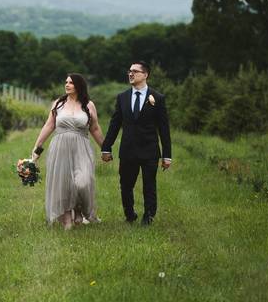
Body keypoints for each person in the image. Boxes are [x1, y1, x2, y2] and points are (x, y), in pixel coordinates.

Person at [100, 61, 172, 225]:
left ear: (145, 75)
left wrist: (167, 155)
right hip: (128, 150)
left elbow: (164, 128)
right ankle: (130, 214)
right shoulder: (122, 97)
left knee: (149, 185)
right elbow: (115, 124)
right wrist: (106, 147)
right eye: (129, 71)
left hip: (149, 149)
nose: (130, 74)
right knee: (126, 185)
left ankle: (149, 216)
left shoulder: (157, 98)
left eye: (135, 71)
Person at [31, 73, 104, 229]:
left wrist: (105, 149)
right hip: (60, 148)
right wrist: (37, 147)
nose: (67, 85)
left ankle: (79, 210)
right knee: (63, 185)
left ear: (79, 85)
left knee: (82, 182)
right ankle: (67, 221)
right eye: (66, 82)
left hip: (81, 148)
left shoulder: (89, 105)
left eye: (71, 82)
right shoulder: (58, 103)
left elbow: (95, 128)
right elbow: (49, 125)